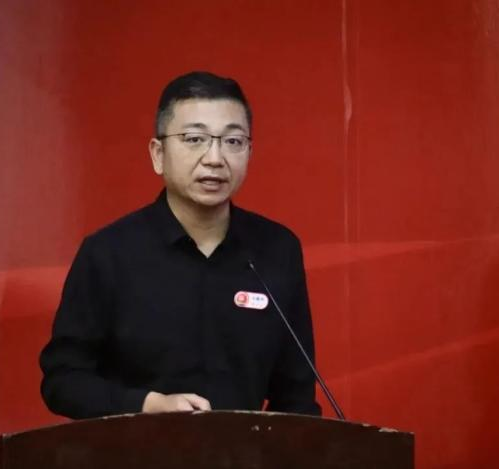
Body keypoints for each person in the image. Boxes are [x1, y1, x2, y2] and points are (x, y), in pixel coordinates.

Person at [39, 71, 322, 418]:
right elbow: (63, 380)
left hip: (244, 449)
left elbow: (296, 396)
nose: (215, 158)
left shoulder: (277, 250)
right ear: (158, 154)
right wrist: (146, 405)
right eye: (194, 139)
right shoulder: (109, 253)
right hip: (135, 446)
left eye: (233, 141)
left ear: (249, 152)